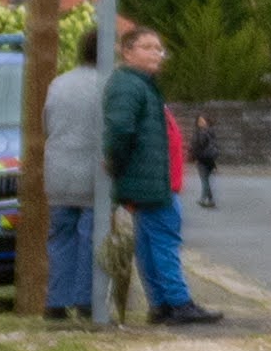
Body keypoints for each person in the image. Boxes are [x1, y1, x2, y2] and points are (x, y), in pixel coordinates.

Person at [107, 21, 224, 328]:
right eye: (148, 47)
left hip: (152, 180)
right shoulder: (130, 85)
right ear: (127, 51)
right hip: (151, 182)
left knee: (150, 243)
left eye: (159, 49)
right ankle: (178, 302)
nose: (156, 54)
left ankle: (161, 304)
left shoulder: (140, 85)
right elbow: (119, 130)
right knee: (164, 241)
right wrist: (118, 166)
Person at [43, 22, 109, 321]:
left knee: (60, 238)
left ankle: (56, 301)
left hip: (58, 172)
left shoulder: (58, 83)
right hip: (93, 173)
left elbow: (47, 123)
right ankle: (85, 299)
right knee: (90, 237)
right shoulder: (107, 84)